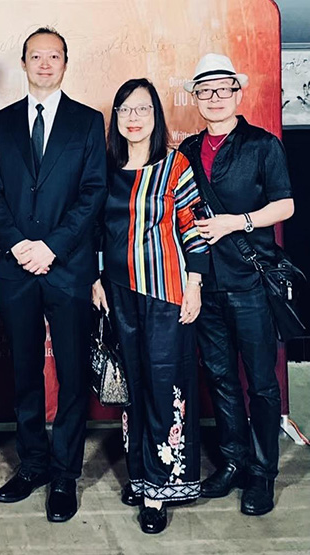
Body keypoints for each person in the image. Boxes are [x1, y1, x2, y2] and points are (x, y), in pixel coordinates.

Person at [0, 27, 107, 523]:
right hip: (15, 269)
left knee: (73, 375)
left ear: (65, 63)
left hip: (68, 268)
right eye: (37, 56)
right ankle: (32, 463)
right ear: (24, 63)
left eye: (54, 56)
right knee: (24, 371)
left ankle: (64, 474)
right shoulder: (3, 121)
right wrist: (18, 244)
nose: (45, 63)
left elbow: (93, 193)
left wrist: (52, 246)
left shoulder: (88, 122)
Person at [179, 53, 295, 516]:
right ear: (195, 98)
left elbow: (285, 205)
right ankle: (232, 461)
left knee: (262, 383)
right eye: (204, 91)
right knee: (221, 377)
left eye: (222, 89)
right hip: (204, 283)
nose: (214, 98)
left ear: (237, 93)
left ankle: (262, 473)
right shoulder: (187, 150)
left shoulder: (263, 145)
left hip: (251, 281)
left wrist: (236, 221)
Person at [92, 78, 209, 533]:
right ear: (116, 118)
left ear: (156, 115)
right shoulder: (106, 169)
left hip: (165, 291)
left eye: (142, 109)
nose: (133, 118)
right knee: (134, 386)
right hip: (118, 291)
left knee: (164, 384)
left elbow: (193, 227)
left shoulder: (175, 165)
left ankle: (161, 488)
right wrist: (95, 279)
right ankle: (140, 475)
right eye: (125, 110)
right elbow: (95, 231)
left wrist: (194, 283)